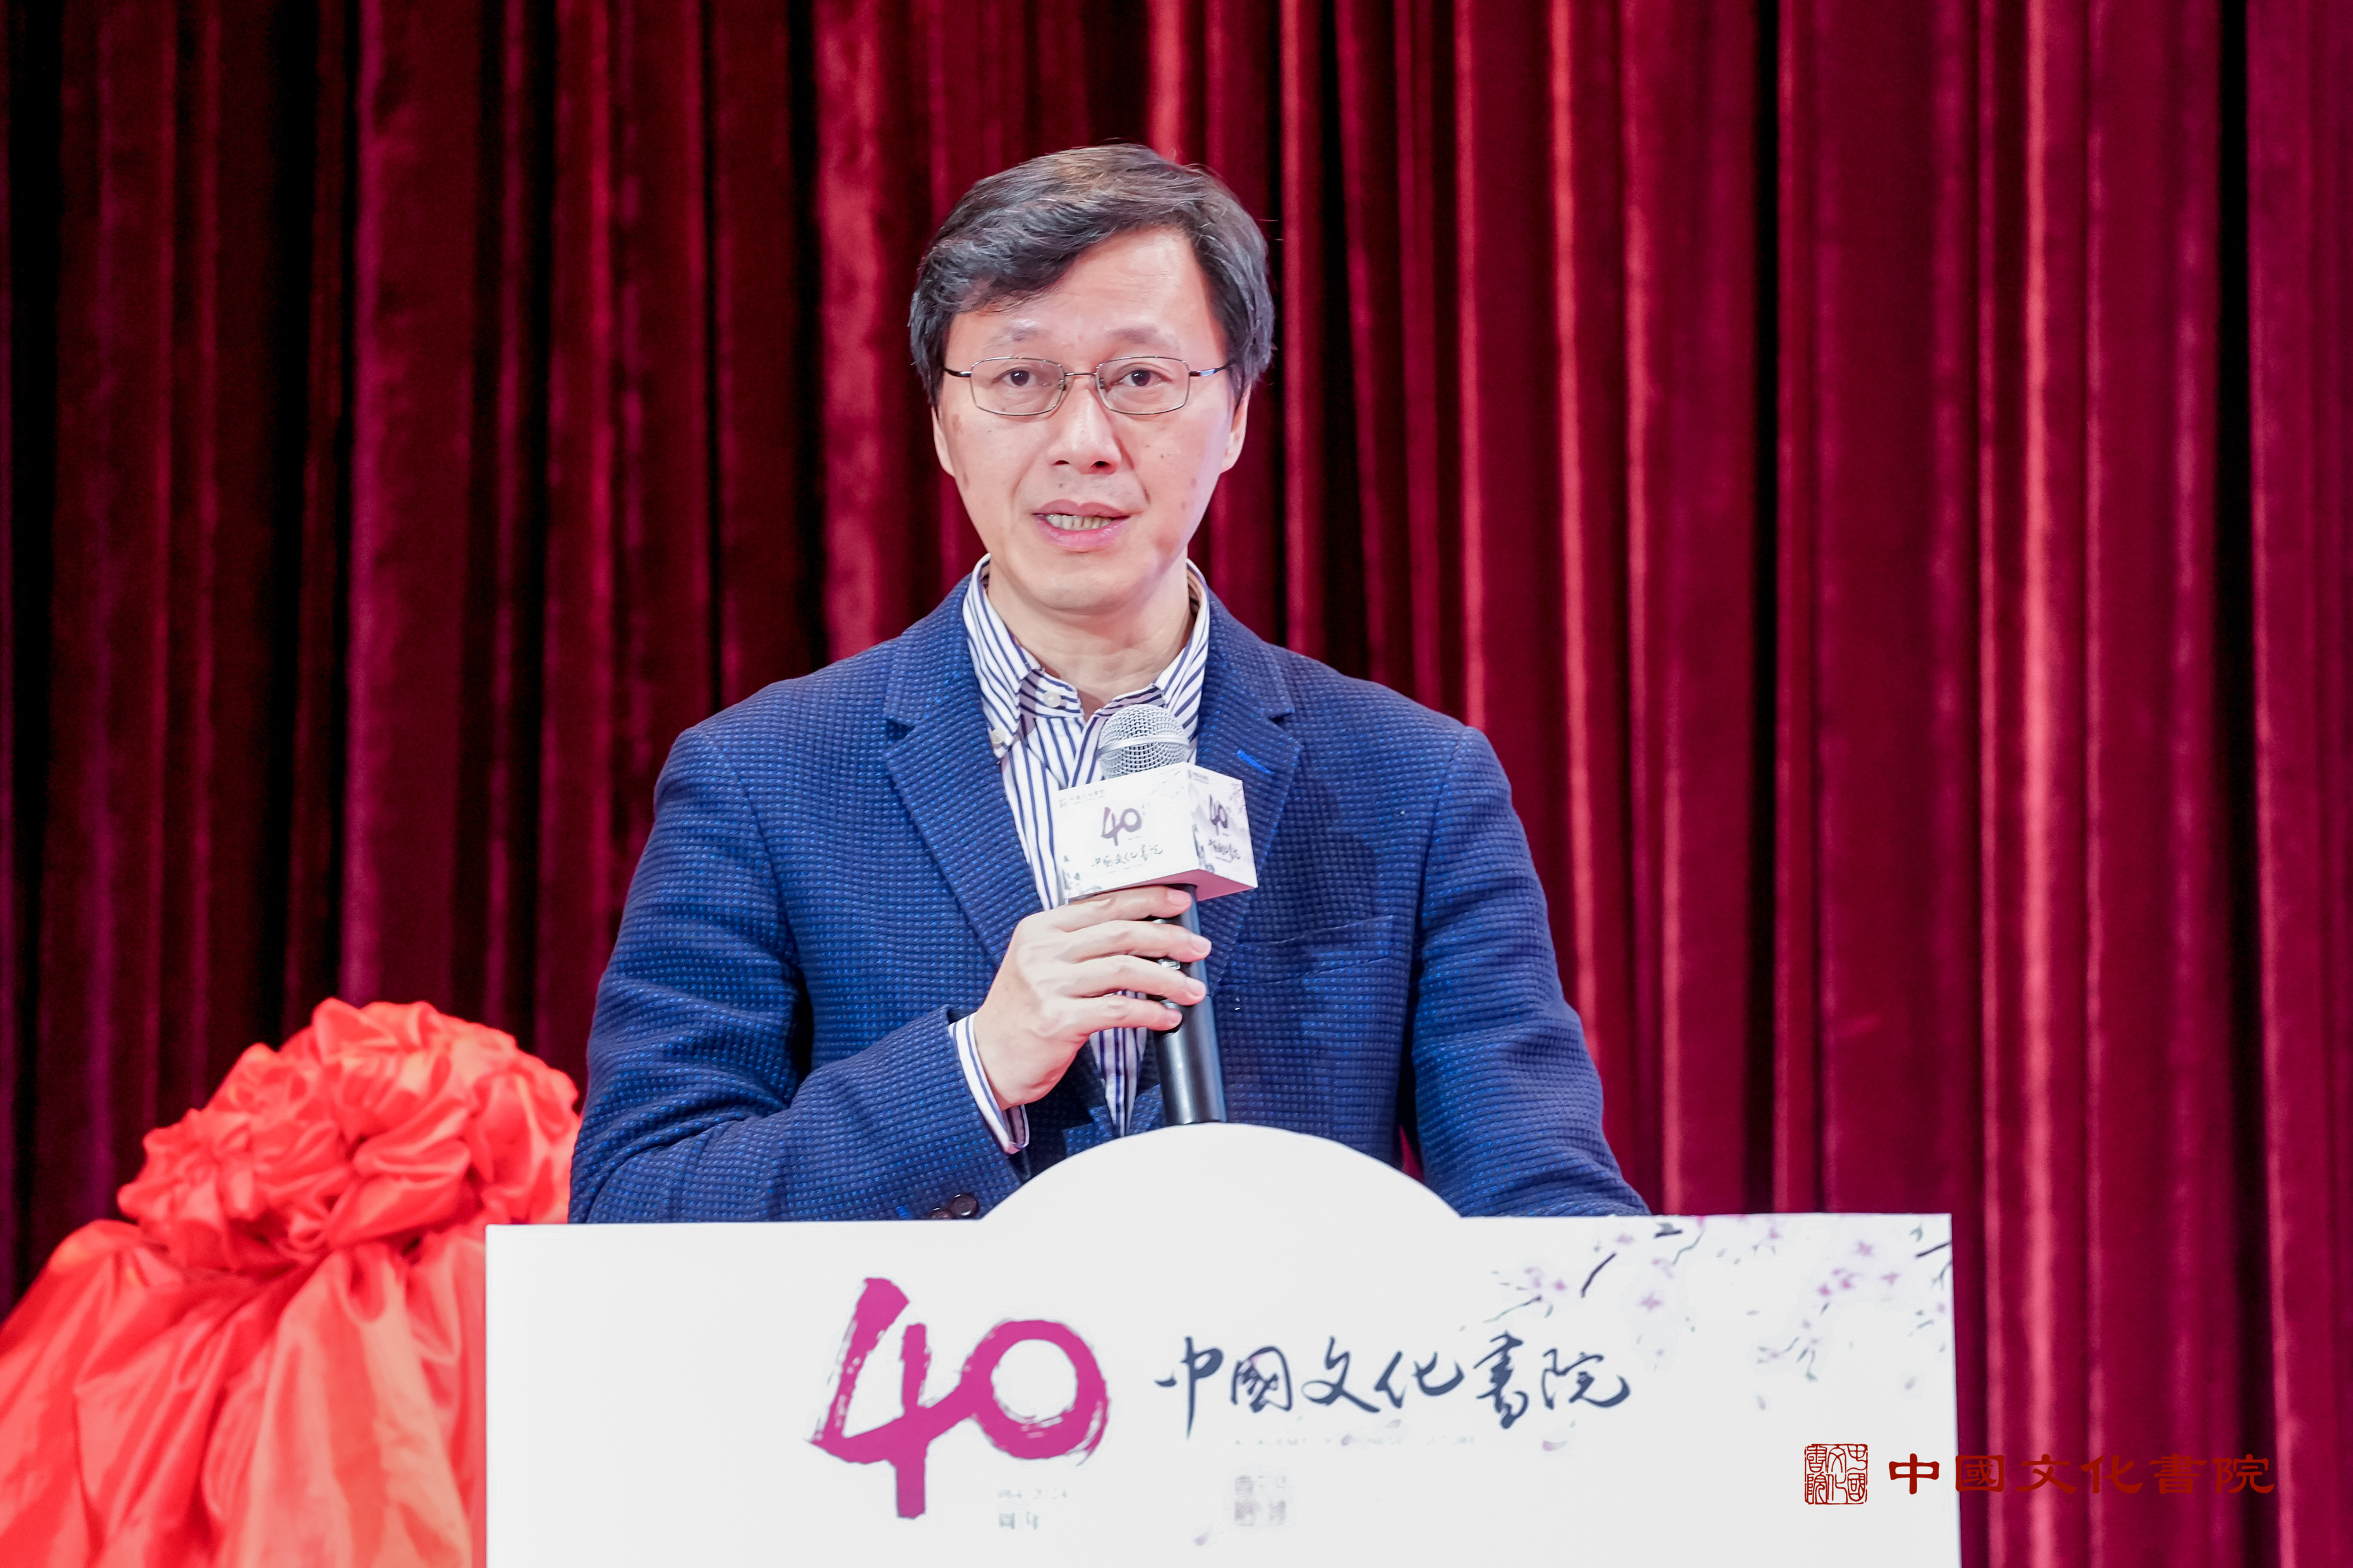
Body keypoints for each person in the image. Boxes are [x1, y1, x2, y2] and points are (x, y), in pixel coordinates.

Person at [569, 145, 1643, 1223]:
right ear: (942, 422)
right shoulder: (762, 778)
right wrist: (975, 1068)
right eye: (1018, 379)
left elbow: (1549, 1212)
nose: (1083, 444)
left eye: (1140, 380)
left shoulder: (1415, 783)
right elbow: (637, 1206)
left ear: (1235, 413)